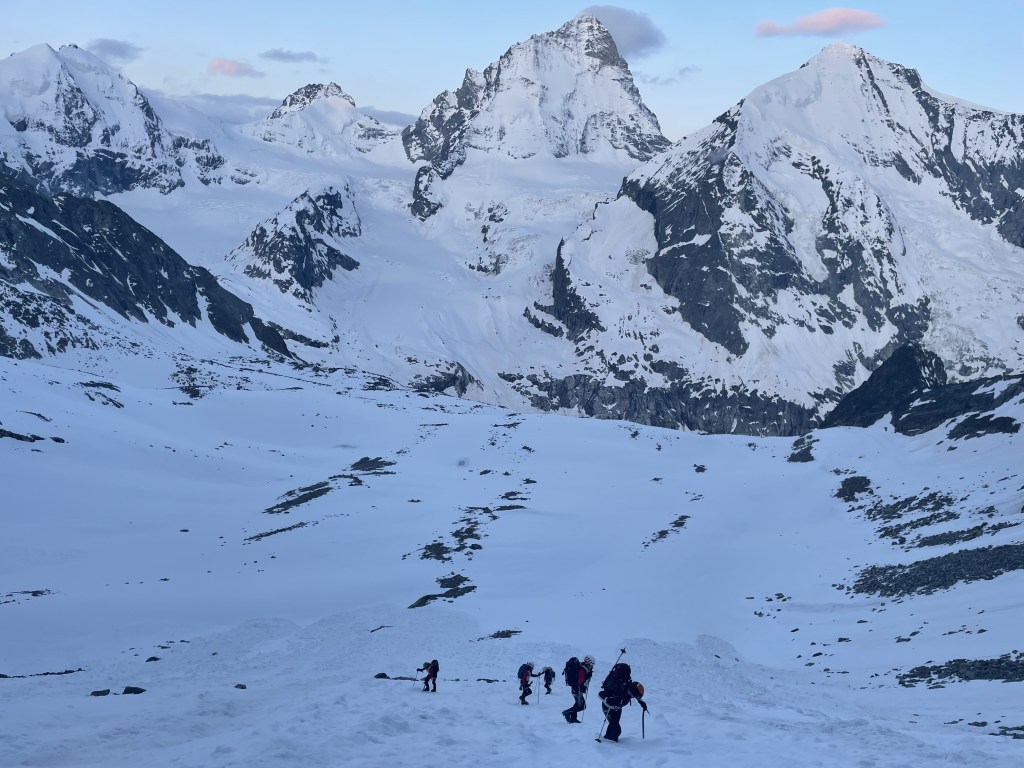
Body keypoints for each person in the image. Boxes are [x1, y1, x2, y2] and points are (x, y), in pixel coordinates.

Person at [598, 662, 647, 742]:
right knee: (616, 729)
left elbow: (636, 693)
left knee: (613, 726)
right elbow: (601, 694)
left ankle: (607, 740)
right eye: (633, 696)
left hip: (618, 709)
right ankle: (611, 746)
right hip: (608, 709)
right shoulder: (617, 690)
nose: (632, 697)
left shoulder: (629, 685)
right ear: (631, 691)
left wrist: (642, 703)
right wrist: (608, 701)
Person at [561, 655, 594, 723]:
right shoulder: (582, 669)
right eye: (592, 664)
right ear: (588, 662)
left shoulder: (581, 666)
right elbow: (580, 681)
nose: (592, 666)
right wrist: (587, 676)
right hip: (577, 689)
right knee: (582, 706)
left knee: (577, 703)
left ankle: (573, 718)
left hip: (575, 688)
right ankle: (567, 712)